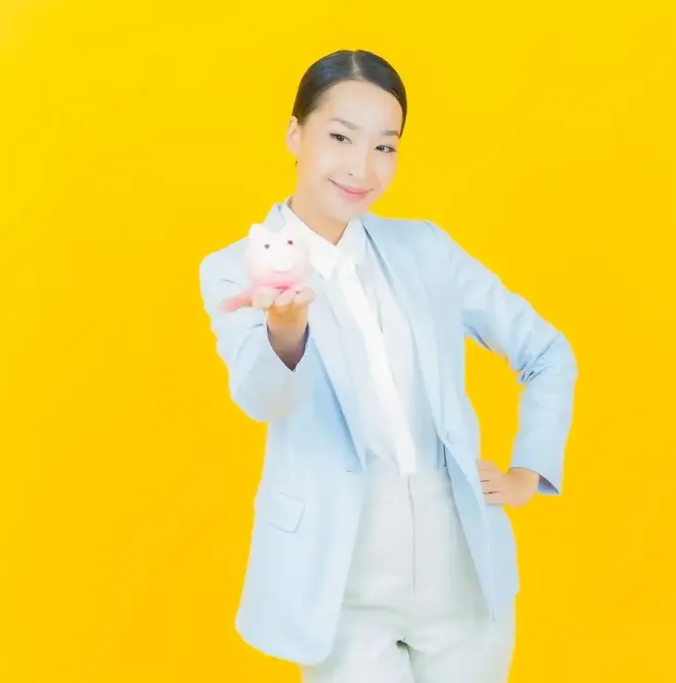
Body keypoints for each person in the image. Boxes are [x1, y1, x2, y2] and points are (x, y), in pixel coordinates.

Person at [198, 48, 578, 683]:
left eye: (385, 146)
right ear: (295, 134)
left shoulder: (426, 249)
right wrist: (285, 330)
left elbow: (546, 352)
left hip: (462, 574)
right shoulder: (235, 268)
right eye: (340, 137)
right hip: (339, 582)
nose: (362, 167)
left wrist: (527, 473)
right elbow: (263, 400)